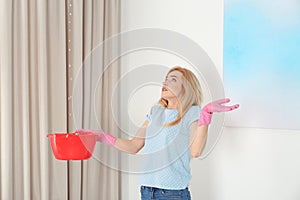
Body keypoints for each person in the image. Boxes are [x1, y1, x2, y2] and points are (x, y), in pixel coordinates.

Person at [77, 66, 239, 200]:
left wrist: (206, 116)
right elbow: (134, 146)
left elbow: (195, 151)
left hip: (172, 193)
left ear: (187, 87)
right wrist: (100, 136)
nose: (165, 82)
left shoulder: (192, 112)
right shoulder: (156, 111)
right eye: (166, 78)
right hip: (147, 191)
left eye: (173, 79)